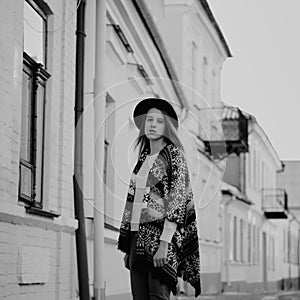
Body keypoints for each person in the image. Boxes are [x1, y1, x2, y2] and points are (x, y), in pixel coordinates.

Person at [117, 97, 201, 300]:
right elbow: (134, 204)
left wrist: (164, 244)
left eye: (159, 121)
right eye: (149, 120)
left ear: (167, 126)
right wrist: (129, 245)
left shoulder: (174, 156)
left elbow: (176, 203)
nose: (153, 124)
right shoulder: (142, 161)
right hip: (137, 240)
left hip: (163, 239)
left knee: (158, 297)